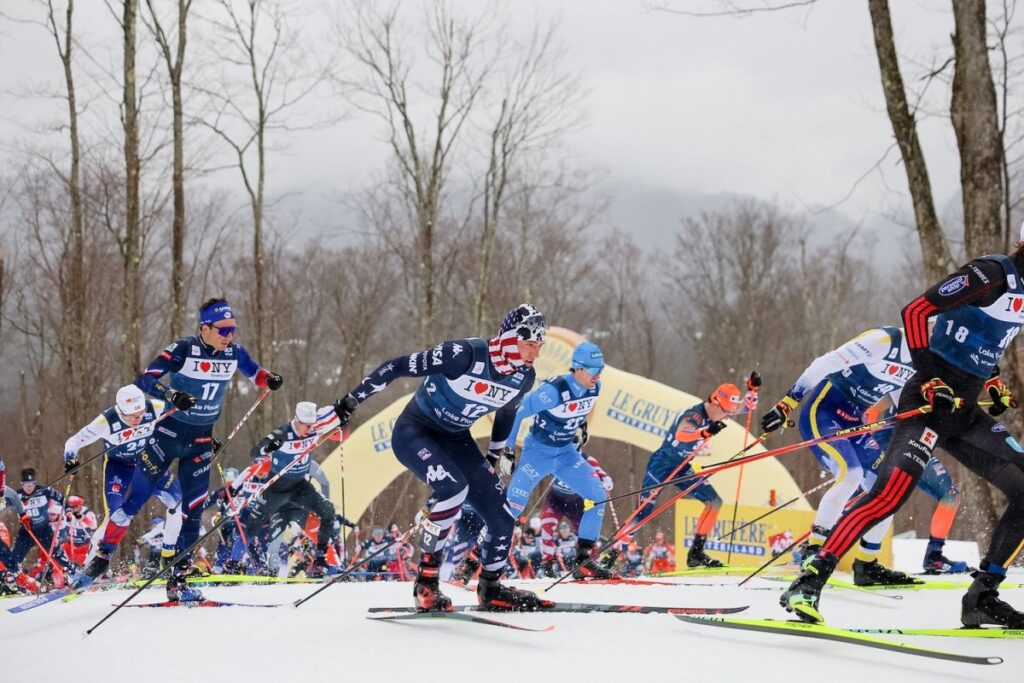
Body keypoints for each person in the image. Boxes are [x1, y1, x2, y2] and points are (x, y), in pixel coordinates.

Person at [780, 242, 1024, 627]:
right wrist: (928, 378)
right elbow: (915, 311)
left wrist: (993, 381)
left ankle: (983, 596)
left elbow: (986, 336)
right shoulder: (993, 274)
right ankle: (809, 581)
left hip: (962, 411)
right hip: (927, 402)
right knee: (887, 494)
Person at [332, 303, 553, 612]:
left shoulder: (522, 377)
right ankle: (426, 583)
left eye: (540, 346)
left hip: (455, 440)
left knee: (502, 514)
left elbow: (506, 413)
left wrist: (493, 456)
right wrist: (349, 402)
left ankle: (490, 588)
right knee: (454, 489)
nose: (535, 353)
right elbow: (397, 366)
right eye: (530, 344)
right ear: (510, 338)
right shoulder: (463, 354)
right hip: (415, 432)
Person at [77, 298, 283, 602]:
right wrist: (171, 394)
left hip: (200, 440)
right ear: (205, 328)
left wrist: (270, 379)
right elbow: (145, 379)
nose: (229, 336)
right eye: (223, 330)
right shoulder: (184, 349)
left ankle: (179, 578)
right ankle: (102, 556)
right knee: (134, 500)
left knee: (193, 508)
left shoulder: (234, 353)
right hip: (166, 436)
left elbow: (255, 373)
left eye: (233, 329)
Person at [761, 327, 966, 582]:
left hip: (855, 422)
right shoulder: (884, 340)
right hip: (824, 411)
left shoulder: (922, 362)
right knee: (851, 474)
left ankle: (866, 565)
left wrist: (931, 408)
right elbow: (824, 363)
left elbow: (900, 395)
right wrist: (786, 405)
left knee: (888, 490)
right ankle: (812, 552)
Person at [505, 341, 612, 579]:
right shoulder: (553, 391)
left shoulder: (595, 388)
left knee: (597, 497)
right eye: (594, 370)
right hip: (538, 453)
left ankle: (583, 560)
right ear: (578, 368)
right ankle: (476, 561)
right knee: (513, 505)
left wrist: (581, 426)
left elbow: (579, 410)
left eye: (601, 369)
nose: (598, 375)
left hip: (566, 454)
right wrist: (508, 450)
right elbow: (515, 411)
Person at [632, 377, 759, 568]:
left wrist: (753, 391)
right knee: (643, 513)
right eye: (725, 413)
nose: (727, 417)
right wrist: (704, 433)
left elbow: (745, 408)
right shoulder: (695, 416)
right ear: (715, 403)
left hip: (682, 467)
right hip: (662, 464)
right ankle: (613, 552)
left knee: (714, 502)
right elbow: (682, 433)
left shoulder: (717, 412)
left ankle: (696, 553)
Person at [64, 384, 184, 571]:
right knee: (113, 516)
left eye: (142, 413)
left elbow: (186, 419)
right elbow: (74, 441)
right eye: (133, 416)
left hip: (149, 463)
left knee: (178, 503)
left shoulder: (155, 408)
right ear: (121, 411)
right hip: (119, 468)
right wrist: (70, 458)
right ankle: (87, 569)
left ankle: (169, 557)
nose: (139, 418)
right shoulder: (106, 421)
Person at [245, 401, 348, 577]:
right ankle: (258, 566)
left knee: (328, 511)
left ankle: (320, 560)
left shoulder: (315, 429)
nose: (310, 429)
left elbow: (341, 434)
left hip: (300, 488)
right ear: (297, 421)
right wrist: (269, 447)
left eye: (312, 425)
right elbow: (255, 453)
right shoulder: (282, 433)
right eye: (307, 426)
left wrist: (343, 421)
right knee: (251, 528)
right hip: (277, 489)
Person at [536, 454, 614, 578]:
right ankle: (547, 564)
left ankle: (590, 562)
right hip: (555, 500)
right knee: (547, 525)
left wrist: (605, 480)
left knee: (585, 532)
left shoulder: (587, 459)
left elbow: (601, 474)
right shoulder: (555, 454)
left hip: (576, 503)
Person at [11, 468, 71, 580]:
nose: (29, 487)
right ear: (21, 484)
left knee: (56, 552)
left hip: (44, 529)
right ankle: (11, 580)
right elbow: (2, 505)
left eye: (32, 484)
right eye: (26, 484)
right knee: (15, 557)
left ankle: (72, 573)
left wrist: (68, 512)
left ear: (35, 483)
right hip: (26, 531)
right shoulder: (16, 495)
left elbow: (63, 499)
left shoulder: (44, 490)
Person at [0, 475, 41, 594]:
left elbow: (12, 495)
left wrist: (22, 514)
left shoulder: (3, 488)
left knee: (3, 549)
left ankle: (17, 576)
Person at [59, 495, 97, 567]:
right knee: (59, 556)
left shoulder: (88, 513)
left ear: (80, 505)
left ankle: (94, 573)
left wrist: (83, 518)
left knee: (85, 561)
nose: (72, 509)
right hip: (69, 545)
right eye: (70, 506)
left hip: (83, 547)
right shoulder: (66, 512)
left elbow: (94, 525)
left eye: (74, 507)